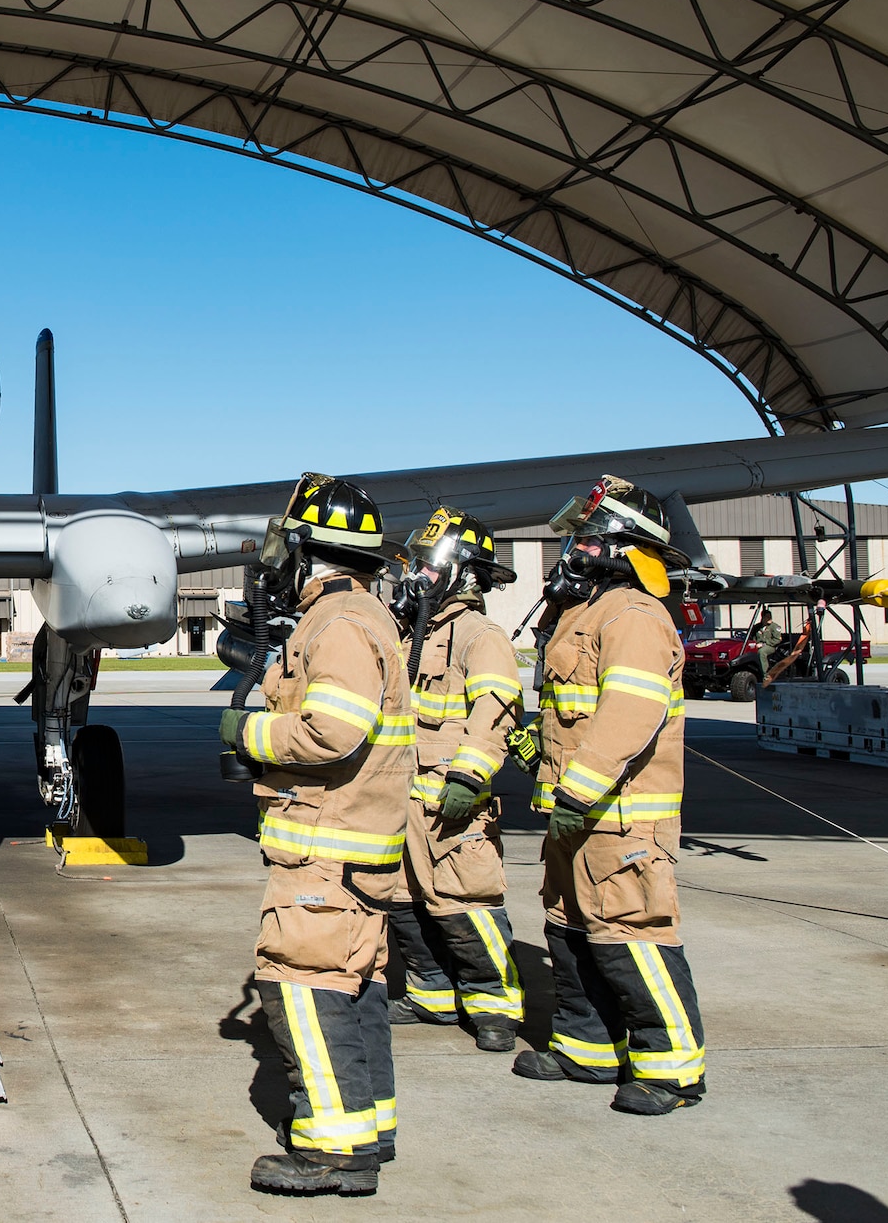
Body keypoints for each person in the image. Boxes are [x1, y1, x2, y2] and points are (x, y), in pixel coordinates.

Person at [217, 474, 412, 1197]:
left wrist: (251, 731)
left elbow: (332, 727)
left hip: (326, 846)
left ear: (311, 552)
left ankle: (335, 1151)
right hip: (353, 841)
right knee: (355, 986)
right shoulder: (361, 615)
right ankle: (369, 1126)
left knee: (299, 982)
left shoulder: (336, 625)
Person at [512, 476, 708, 1116]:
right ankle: (586, 1049)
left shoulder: (634, 615)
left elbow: (629, 713)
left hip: (619, 817)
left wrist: (579, 788)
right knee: (570, 931)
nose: (574, 547)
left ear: (621, 545)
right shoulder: (586, 612)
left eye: (588, 536)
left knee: (631, 936)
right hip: (576, 815)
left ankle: (672, 1071)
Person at [385, 507, 525, 1053]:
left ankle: (495, 1006)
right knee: (402, 900)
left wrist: (469, 777)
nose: (415, 576)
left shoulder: (478, 634)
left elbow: (498, 709)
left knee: (465, 903)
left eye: (427, 564)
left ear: (462, 573)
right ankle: (432, 993)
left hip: (449, 801)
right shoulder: (408, 634)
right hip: (400, 800)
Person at [753, 610, 782, 678]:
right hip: (757, 645)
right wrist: (754, 644)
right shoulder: (757, 627)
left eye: (770, 617)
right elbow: (753, 637)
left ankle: (765, 674)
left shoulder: (775, 627)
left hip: (770, 646)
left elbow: (777, 640)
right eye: (767, 617)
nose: (769, 618)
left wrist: (764, 644)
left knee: (762, 652)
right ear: (762, 617)